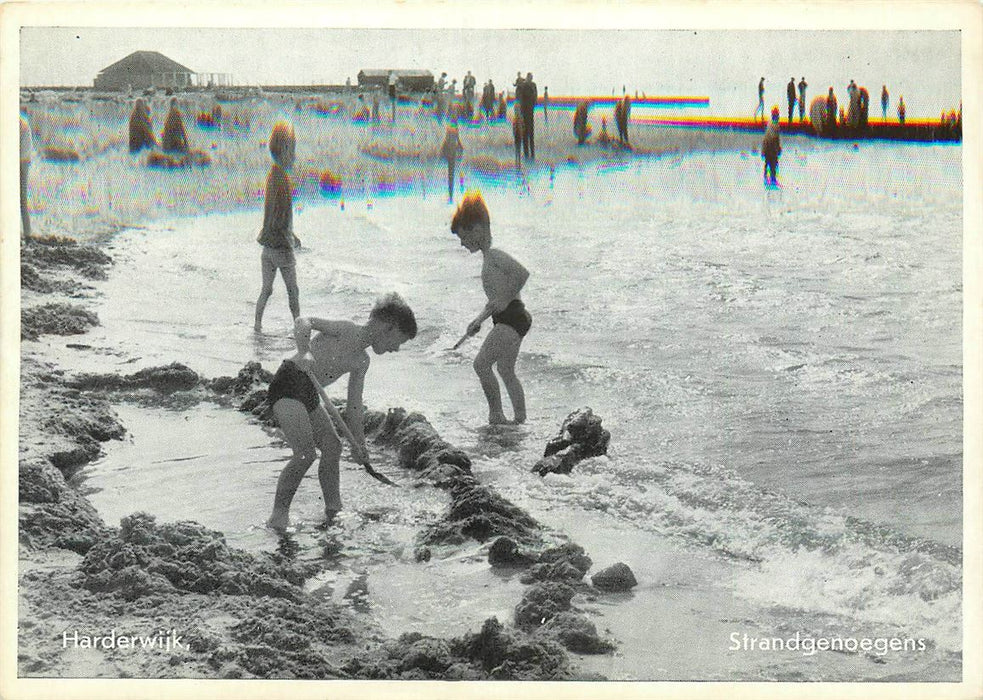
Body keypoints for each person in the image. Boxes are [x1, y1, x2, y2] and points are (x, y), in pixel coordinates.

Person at [265, 294, 417, 531]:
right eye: (398, 341)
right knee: (305, 454)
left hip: (309, 393)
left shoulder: (361, 361)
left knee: (333, 446)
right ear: (388, 327)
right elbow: (303, 321)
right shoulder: (346, 330)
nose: (396, 349)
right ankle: (278, 516)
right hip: (290, 380)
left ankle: (334, 509)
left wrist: (359, 444)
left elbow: (354, 407)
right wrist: (305, 351)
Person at [450, 191, 530, 425]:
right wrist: (479, 320)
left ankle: (496, 415)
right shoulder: (488, 260)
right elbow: (495, 300)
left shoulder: (494, 257)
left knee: (481, 364)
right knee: (505, 370)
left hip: (512, 316)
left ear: (477, 230)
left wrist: (504, 300)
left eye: (463, 237)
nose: (462, 243)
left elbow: (522, 274)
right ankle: (520, 421)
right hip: (511, 317)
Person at [254, 122, 300, 332]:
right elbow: (282, 215)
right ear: (284, 151)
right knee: (293, 290)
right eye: (292, 151)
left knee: (266, 289)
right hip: (281, 246)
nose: (294, 157)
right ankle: (298, 326)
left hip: (267, 247)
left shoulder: (272, 175)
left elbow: (273, 214)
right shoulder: (282, 179)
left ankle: (257, 325)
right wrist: (291, 238)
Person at [440, 123, 464, 202]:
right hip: (452, 156)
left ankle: (451, 195)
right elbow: (460, 146)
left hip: (451, 157)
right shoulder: (455, 134)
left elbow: (445, 143)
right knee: (452, 176)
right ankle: (452, 194)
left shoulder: (451, 134)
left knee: (451, 176)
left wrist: (442, 153)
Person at [517, 72, 538, 160]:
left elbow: (535, 95)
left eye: (531, 77)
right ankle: (527, 154)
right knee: (526, 133)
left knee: (529, 133)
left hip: (529, 110)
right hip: (526, 110)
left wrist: (533, 104)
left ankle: (531, 153)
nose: (530, 79)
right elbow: (521, 98)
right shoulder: (525, 85)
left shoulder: (533, 85)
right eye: (530, 77)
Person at [20, 113, 33, 239]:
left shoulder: (21, 124)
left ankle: (28, 236)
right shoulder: (22, 123)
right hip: (21, 161)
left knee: (22, 200)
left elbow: (24, 153)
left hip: (21, 163)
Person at [762, 106, 782, 185]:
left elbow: (766, 138)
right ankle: (772, 179)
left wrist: (763, 150)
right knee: (773, 164)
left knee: (768, 163)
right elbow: (775, 139)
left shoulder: (769, 124)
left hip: (767, 148)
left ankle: (766, 177)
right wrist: (778, 149)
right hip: (771, 149)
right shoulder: (775, 126)